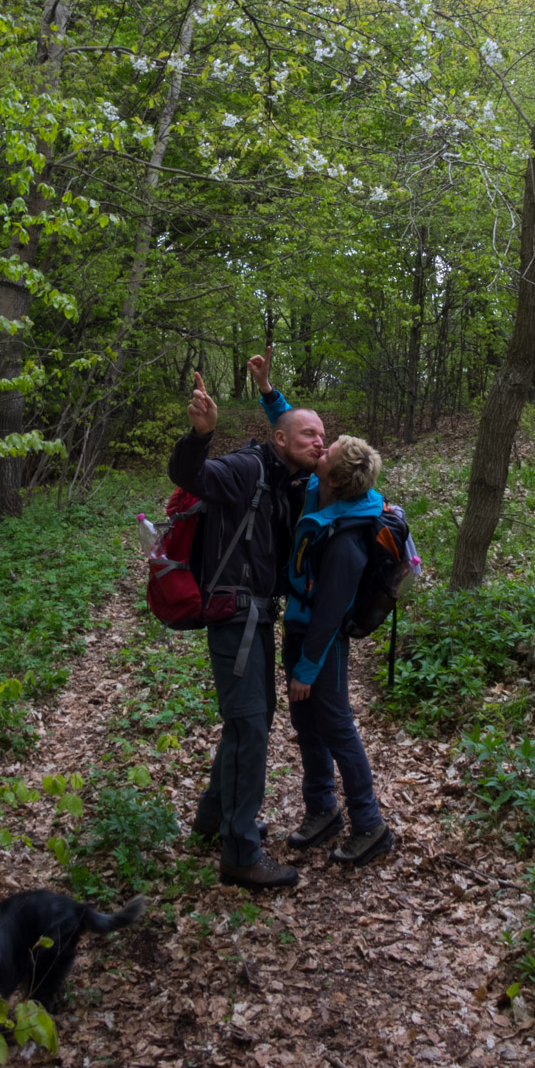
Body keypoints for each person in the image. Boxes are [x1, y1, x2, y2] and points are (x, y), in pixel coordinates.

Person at [168, 367, 325, 890]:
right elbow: (192, 476)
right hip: (235, 616)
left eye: (322, 436)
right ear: (281, 439)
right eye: (309, 435)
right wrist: (200, 436)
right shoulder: (243, 467)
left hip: (259, 616)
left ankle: (214, 817)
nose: (318, 442)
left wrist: (271, 392)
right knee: (251, 724)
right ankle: (239, 852)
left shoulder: (288, 481)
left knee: (248, 721)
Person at [281, 430, 396, 869]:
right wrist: (269, 392)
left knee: (336, 726)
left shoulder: (347, 539)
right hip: (298, 629)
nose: (319, 449)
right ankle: (322, 809)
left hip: (321, 643)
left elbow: (331, 613)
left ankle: (371, 826)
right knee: (306, 722)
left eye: (325, 452)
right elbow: (295, 435)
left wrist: (308, 667)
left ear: (333, 478)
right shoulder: (322, 493)